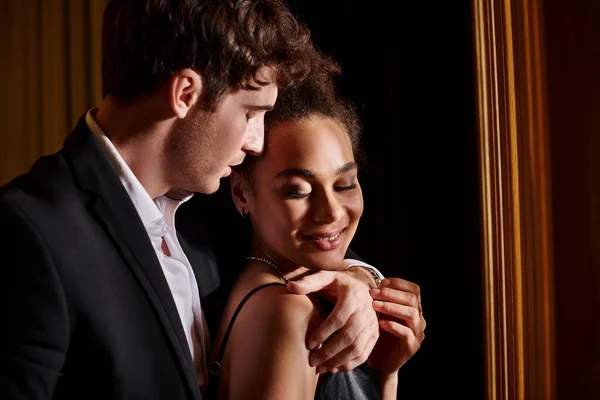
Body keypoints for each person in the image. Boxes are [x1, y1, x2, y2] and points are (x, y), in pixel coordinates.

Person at [0, 1, 416, 399]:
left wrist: (364, 284)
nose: (255, 143)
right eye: (251, 114)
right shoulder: (28, 232)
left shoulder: (205, 207)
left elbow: (303, 245)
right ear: (185, 93)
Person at [209, 65, 426, 399]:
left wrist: (387, 374)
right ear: (241, 193)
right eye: (298, 191)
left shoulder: (293, 289)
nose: (332, 212)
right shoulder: (288, 315)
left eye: (345, 184)